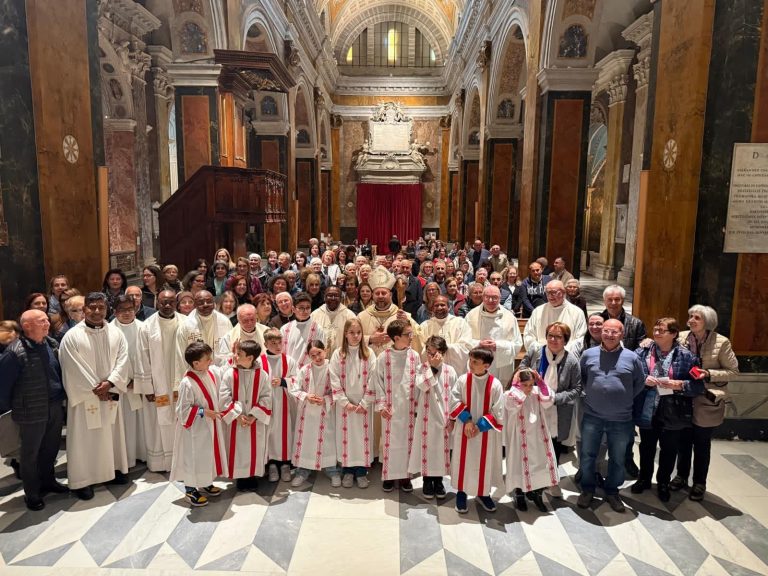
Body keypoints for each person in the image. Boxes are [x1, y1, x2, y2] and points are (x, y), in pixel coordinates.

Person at [59, 292, 130, 500]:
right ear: (84, 309)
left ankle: (112, 470)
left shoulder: (116, 333)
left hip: (109, 394)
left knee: (111, 433)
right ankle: (84, 480)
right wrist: (97, 388)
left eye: (101, 307)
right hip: (86, 399)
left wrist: (111, 383)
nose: (97, 311)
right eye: (92, 307)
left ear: (107, 309)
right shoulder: (72, 336)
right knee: (84, 439)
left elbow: (123, 359)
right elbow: (72, 367)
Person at [0, 310, 67, 510]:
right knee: (30, 455)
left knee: (50, 449)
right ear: (27, 325)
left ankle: (49, 481)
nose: (47, 323)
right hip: (30, 411)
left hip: (54, 406)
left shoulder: (50, 344)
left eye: (47, 320)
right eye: (41, 321)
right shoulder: (14, 352)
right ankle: (32, 493)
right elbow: (3, 387)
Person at [671, 305, 739, 501]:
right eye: (690, 316)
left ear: (707, 322)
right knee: (683, 442)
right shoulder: (681, 337)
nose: (691, 320)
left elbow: (733, 372)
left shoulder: (721, 342)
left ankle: (699, 482)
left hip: (706, 402)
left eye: (697, 318)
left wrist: (708, 374)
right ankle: (681, 477)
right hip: (684, 398)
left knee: (701, 444)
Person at [577, 319, 645, 513]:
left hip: (621, 418)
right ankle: (588, 489)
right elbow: (583, 378)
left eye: (614, 332)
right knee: (588, 455)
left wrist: (622, 398)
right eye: (606, 331)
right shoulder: (588, 354)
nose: (609, 335)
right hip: (592, 415)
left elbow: (639, 383)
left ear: (622, 334)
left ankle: (612, 491)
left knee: (617, 457)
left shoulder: (631, 358)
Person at [632, 317, 702, 502]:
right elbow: (630, 375)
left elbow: (697, 386)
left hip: (673, 409)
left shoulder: (687, 357)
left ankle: (663, 482)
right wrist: (643, 379)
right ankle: (644, 479)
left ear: (673, 334)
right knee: (646, 447)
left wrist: (679, 385)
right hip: (647, 407)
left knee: (669, 449)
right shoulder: (642, 351)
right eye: (655, 329)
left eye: (661, 330)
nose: (656, 332)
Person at [519, 322, 581, 473]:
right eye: (550, 336)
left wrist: (554, 398)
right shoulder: (536, 352)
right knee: (531, 446)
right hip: (533, 407)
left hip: (558, 412)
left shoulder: (571, 361)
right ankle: (530, 480)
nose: (553, 339)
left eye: (558, 337)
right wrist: (530, 384)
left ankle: (551, 479)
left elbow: (577, 389)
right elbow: (522, 367)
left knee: (553, 448)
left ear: (565, 340)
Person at [171, 342, 227, 507]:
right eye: (208, 359)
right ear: (196, 363)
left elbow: (223, 369)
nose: (211, 361)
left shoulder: (208, 373)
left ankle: (205, 482)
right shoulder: (187, 383)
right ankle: (190, 490)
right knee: (194, 457)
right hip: (195, 430)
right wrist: (203, 412)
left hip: (208, 427)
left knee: (206, 456)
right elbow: (182, 410)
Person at [139, 289, 189, 472]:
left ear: (176, 303)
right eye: (163, 302)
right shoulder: (147, 326)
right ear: (156, 303)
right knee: (159, 419)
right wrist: (148, 387)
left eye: (170, 302)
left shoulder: (186, 323)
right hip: (158, 385)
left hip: (181, 381)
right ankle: (161, 461)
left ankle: (183, 459)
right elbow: (142, 357)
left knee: (181, 417)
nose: (167, 306)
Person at [449, 347, 504, 514]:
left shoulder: (495, 384)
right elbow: (453, 401)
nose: (470, 364)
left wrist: (479, 427)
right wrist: (468, 421)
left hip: (485, 433)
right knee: (463, 461)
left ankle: (483, 493)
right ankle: (461, 492)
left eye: (475, 362)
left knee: (484, 463)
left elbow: (499, 410)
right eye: (470, 360)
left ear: (486, 365)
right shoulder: (462, 380)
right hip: (465, 430)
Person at [373, 319, 423, 493]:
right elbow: (377, 381)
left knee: (407, 442)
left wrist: (417, 406)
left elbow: (419, 380)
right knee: (390, 443)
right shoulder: (383, 357)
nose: (411, 337)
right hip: (390, 409)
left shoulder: (414, 356)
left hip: (409, 409)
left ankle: (404, 477)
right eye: (407, 334)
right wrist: (381, 405)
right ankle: (389, 476)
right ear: (396, 337)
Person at [330, 318, 376, 489]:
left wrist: (365, 402)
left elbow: (373, 378)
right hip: (346, 406)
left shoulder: (369, 354)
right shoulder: (338, 354)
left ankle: (361, 472)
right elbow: (333, 377)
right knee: (346, 438)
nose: (356, 336)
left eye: (358, 333)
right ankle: (348, 471)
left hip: (363, 405)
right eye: (352, 333)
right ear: (345, 334)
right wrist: (344, 401)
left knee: (362, 438)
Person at [219, 340, 272, 491]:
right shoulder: (230, 374)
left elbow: (267, 397)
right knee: (238, 449)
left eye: (239, 354)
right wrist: (237, 415)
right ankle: (241, 477)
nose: (235, 356)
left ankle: (252, 476)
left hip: (255, 421)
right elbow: (224, 396)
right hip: (237, 421)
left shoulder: (262, 375)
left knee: (255, 448)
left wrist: (254, 415)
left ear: (250, 358)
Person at [505, 368, 559, 512]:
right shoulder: (511, 394)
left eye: (531, 384)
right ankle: (519, 494)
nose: (528, 388)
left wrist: (541, 383)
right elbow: (512, 403)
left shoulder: (536, 392)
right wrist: (518, 388)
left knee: (540, 464)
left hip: (538, 436)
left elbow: (548, 401)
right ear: (517, 384)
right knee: (519, 465)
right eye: (525, 385)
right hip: (519, 437)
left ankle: (536, 493)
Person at [409, 336, 456, 499]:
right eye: (428, 352)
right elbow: (422, 385)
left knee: (440, 451)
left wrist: (453, 419)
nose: (430, 356)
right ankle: (427, 481)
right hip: (426, 418)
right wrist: (433, 368)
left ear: (442, 353)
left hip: (444, 418)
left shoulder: (451, 371)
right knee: (427, 450)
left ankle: (439, 480)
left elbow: (454, 397)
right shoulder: (423, 368)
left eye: (434, 353)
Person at [290, 340, 340, 487]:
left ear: (326, 350)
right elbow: (294, 389)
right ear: (308, 356)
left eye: (319, 353)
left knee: (328, 442)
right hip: (307, 415)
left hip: (326, 414)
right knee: (307, 441)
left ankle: (332, 470)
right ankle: (303, 471)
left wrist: (325, 400)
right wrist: (306, 396)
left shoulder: (333, 369)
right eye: (313, 355)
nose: (317, 357)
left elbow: (338, 391)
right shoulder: (304, 370)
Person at [111, 296, 148, 469]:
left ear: (136, 309)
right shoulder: (109, 331)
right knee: (125, 423)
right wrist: (123, 381)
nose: (126, 313)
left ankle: (143, 453)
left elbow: (149, 357)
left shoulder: (144, 328)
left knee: (142, 422)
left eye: (130, 309)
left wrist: (139, 380)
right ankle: (128, 456)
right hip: (120, 387)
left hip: (140, 385)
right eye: (122, 310)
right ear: (114, 312)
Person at [358, 267, 423, 356]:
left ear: (390, 295)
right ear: (372, 296)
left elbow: (419, 337)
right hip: (369, 364)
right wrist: (370, 339)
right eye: (377, 293)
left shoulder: (402, 316)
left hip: (395, 364)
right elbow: (350, 339)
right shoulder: (362, 317)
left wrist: (408, 322)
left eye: (384, 293)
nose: (380, 296)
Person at [464, 285, 522, 383]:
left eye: (495, 297)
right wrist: (479, 344)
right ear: (483, 297)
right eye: (487, 297)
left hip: (501, 364)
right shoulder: (471, 316)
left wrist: (498, 346)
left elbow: (517, 344)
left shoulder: (509, 317)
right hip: (479, 360)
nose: (491, 300)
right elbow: (464, 341)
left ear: (500, 298)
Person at [261, 328, 297, 483]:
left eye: (279, 342)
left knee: (284, 432)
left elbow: (297, 380)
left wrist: (283, 381)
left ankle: (285, 464)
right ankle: (272, 465)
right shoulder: (259, 361)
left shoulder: (288, 360)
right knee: (269, 432)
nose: (277, 346)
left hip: (284, 402)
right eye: (273, 343)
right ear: (265, 344)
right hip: (266, 402)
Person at [523, 280, 587, 355]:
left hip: (566, 357)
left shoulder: (577, 312)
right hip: (541, 356)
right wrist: (543, 351)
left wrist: (562, 352)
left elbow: (580, 339)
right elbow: (529, 335)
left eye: (553, 292)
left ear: (563, 292)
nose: (549, 296)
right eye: (547, 293)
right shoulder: (538, 311)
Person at [419, 295, 472, 375]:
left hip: (456, 371)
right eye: (436, 305)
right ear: (432, 308)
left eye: (442, 305)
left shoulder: (460, 323)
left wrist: (444, 347)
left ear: (449, 307)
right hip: (433, 371)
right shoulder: (425, 326)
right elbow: (420, 348)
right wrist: (432, 351)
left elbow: (466, 346)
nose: (439, 308)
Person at [281, 292, 325, 370]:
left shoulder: (318, 329)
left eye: (308, 307)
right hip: (289, 372)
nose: (305, 311)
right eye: (301, 308)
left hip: (309, 372)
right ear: (293, 309)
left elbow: (321, 354)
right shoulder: (285, 329)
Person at [217, 303, 267, 368]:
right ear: (238, 320)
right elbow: (223, 362)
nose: (249, 323)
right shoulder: (229, 337)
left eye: (252, 319)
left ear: (256, 317)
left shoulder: (266, 332)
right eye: (245, 320)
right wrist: (233, 355)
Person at [311, 286, 356, 355]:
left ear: (341, 298)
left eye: (336, 296)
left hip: (343, 358)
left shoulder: (350, 316)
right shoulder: (315, 315)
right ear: (324, 297)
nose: (333, 298)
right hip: (319, 359)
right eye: (330, 295)